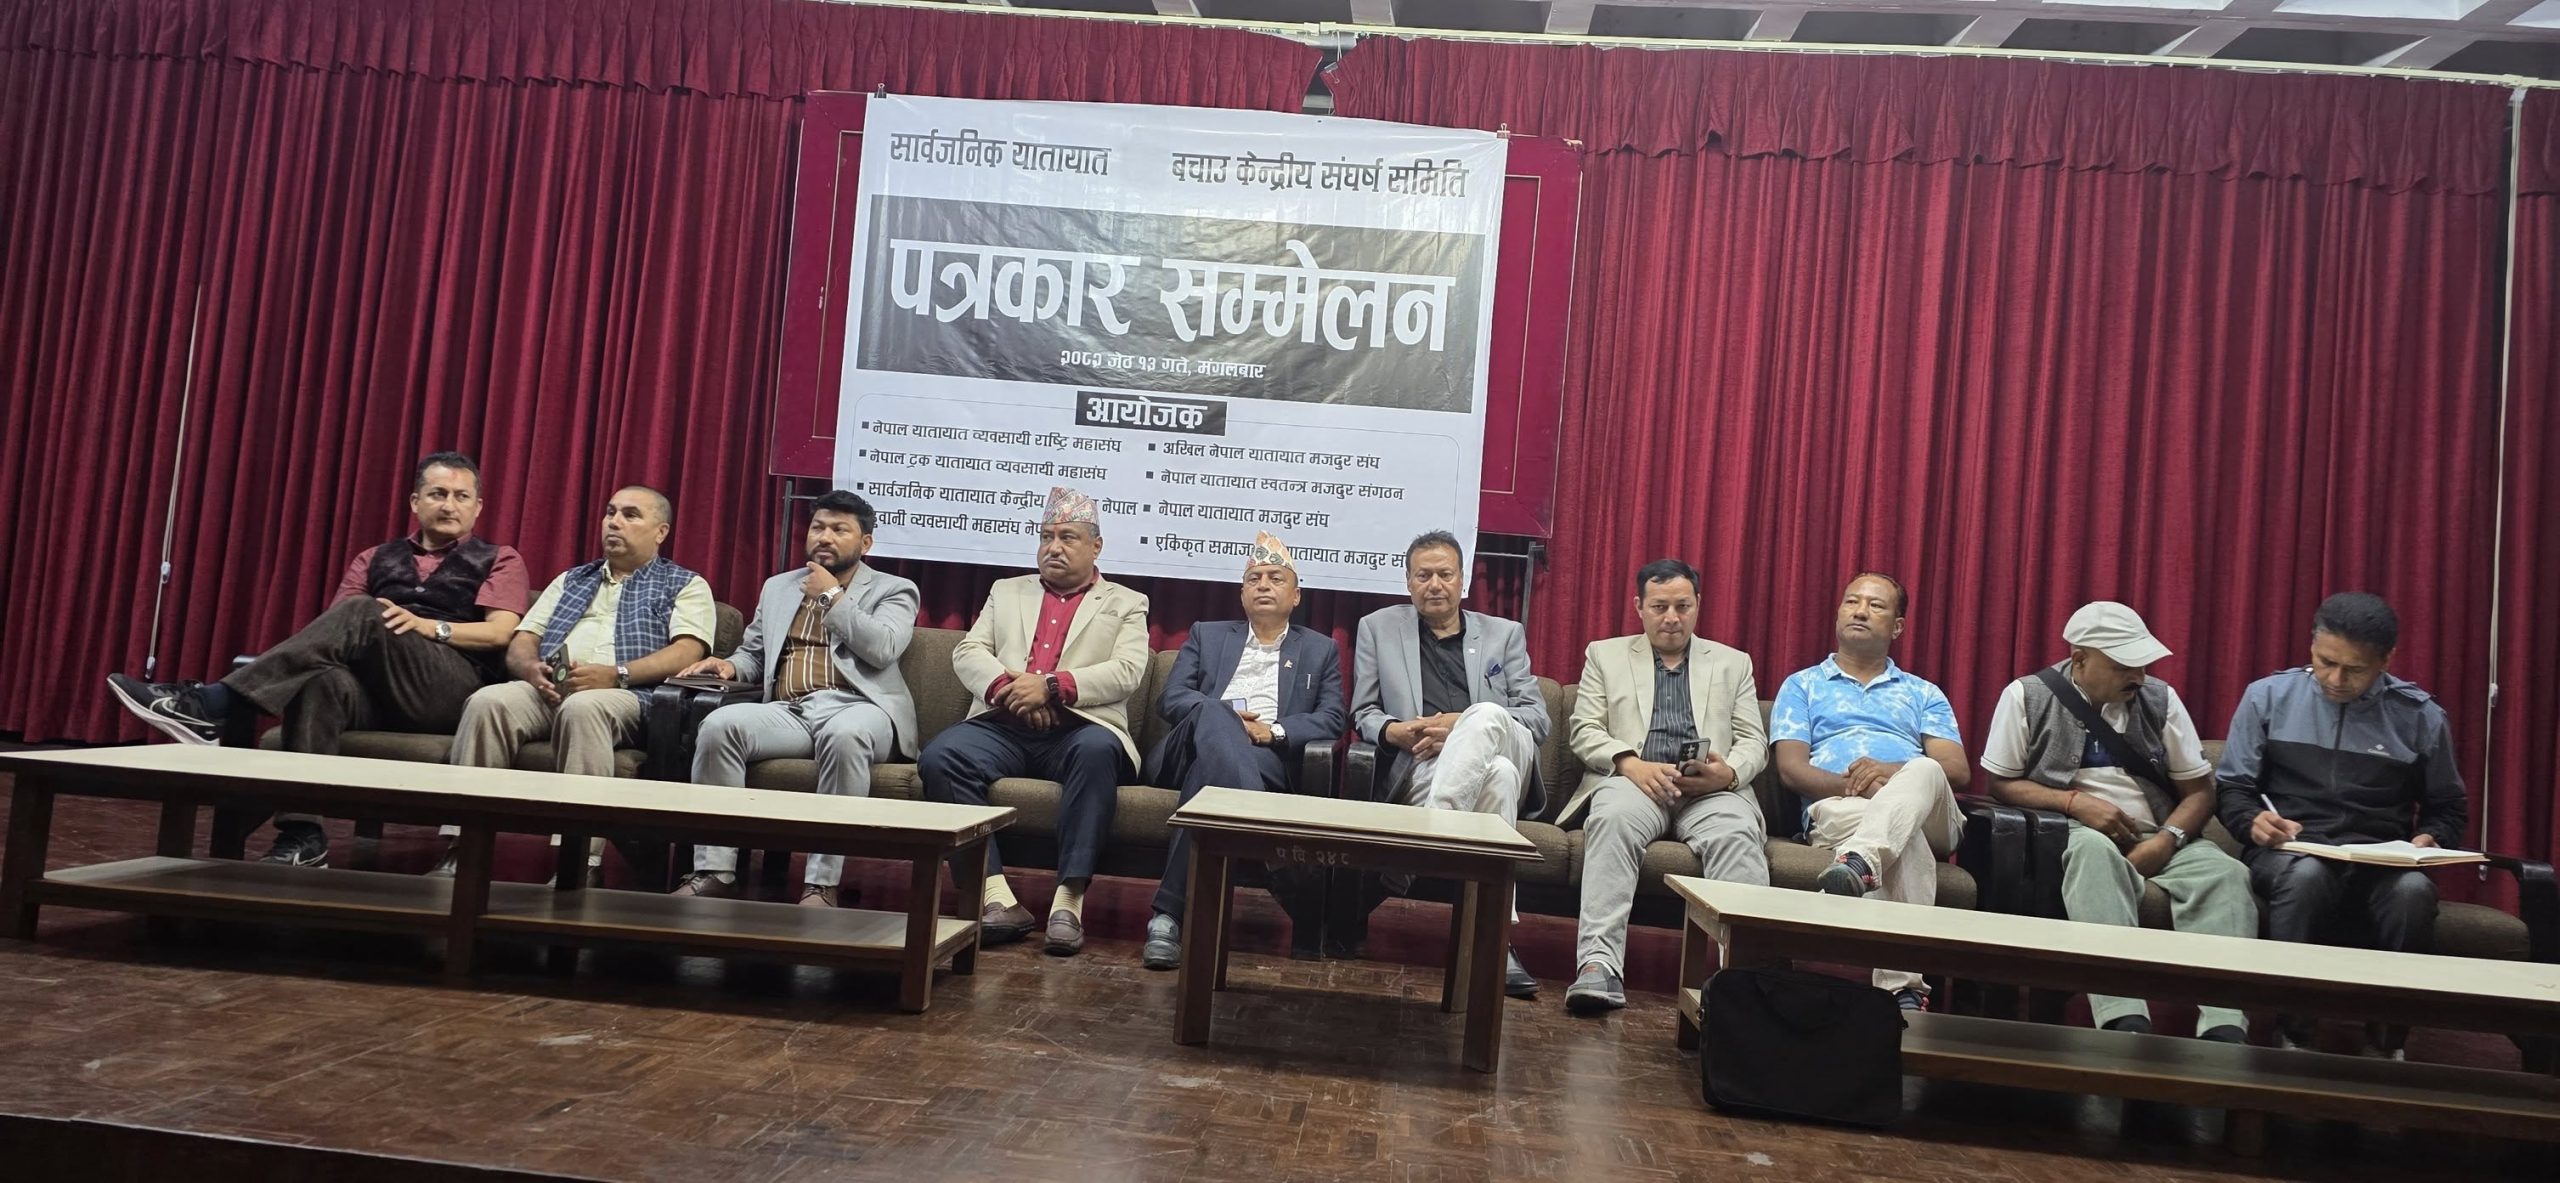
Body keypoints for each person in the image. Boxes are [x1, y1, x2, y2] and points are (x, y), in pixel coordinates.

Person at [105, 452, 529, 868]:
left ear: (478, 507)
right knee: (320, 679)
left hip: (449, 690)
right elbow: (334, 629)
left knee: (365, 611)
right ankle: (303, 835)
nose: (450, 505)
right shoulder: (374, 557)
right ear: (415, 502)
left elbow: (499, 633)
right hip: (376, 692)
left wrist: (427, 626)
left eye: (461, 496)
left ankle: (215, 703)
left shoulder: (499, 559)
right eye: (438, 494)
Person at [1982, 601, 2253, 1043]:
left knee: (2227, 873)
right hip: (2075, 833)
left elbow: (2200, 792)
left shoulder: (2161, 699)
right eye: (2124, 666)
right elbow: (2001, 783)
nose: (2139, 677)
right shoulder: (2025, 695)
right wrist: (2074, 803)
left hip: (2160, 832)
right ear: (2080, 660)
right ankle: (2122, 1017)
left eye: (2143, 665)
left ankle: (2224, 1026)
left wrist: (2167, 840)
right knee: (2093, 854)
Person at [2217, 592, 2466, 1058]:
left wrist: (2433, 838)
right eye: (2325, 662)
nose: (2335, 679)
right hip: (2291, 851)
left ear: (2386, 661)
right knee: (2308, 876)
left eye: (2354, 669)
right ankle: (2295, 1032)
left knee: (2413, 893)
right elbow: (2232, 788)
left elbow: (2448, 808)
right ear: (2312, 646)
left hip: (2381, 858)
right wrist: (2252, 821)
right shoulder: (2267, 697)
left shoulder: (2420, 716)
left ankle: (2388, 1041)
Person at [918, 487, 1149, 956]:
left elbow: (1127, 671)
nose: (1053, 547)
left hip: (1080, 728)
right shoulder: (1006, 591)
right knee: (941, 757)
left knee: (1097, 752)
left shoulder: (1126, 601)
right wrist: (1012, 690)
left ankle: (1068, 904)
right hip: (1004, 723)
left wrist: (1051, 687)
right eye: (1046, 537)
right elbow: (969, 651)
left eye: (1068, 537)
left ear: (1096, 546)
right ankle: (996, 898)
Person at [669, 490, 919, 907]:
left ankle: (822, 884)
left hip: (861, 709)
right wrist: (730, 666)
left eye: (839, 530)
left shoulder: (895, 589)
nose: (825, 537)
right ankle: (715, 870)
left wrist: (832, 596)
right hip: (791, 711)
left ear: (865, 543)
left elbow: (883, 648)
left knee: (844, 735)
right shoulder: (779, 587)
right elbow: (754, 652)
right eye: (818, 527)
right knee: (719, 726)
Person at [445, 486, 715, 872]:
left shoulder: (684, 584)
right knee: (488, 702)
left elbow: (688, 651)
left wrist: (617, 674)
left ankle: (576, 860)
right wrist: (530, 668)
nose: (614, 522)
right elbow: (523, 640)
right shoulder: (572, 579)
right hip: (551, 688)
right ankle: (464, 848)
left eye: (630, 515)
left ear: (661, 532)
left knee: (584, 708)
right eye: (610, 512)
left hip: (629, 694)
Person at [1562, 559, 1768, 1016]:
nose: (1671, 617)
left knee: (1737, 832)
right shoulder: (1605, 655)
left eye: (1682, 606)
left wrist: (1729, 775)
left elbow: (1754, 740)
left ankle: (1746, 980)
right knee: (1612, 819)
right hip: (1635, 783)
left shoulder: (1733, 663)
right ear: (1639, 607)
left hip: (1710, 791)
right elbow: (1584, 728)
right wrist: (1629, 763)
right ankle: (1599, 965)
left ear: (1698, 605)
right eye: (1659, 607)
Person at [1349, 530, 1549, 999]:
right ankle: (1496, 939)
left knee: (1486, 716)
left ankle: (1427, 841)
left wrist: (1464, 725)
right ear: (1408, 582)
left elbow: (1537, 719)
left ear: (1463, 581)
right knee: (1498, 778)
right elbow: (1364, 713)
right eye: (1424, 576)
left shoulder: (1503, 634)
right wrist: (1396, 730)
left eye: (1445, 574)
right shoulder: (1378, 628)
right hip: (1423, 765)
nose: (1435, 584)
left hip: (1504, 742)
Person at [1136, 532, 1345, 970]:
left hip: (1263, 758)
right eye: (1254, 578)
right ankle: (1264, 839)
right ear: (1242, 593)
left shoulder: (1320, 649)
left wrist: (1274, 732)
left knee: (1207, 781)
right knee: (1216, 713)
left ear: (1296, 595)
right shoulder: (1207, 635)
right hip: (1184, 750)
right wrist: (1225, 719)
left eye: (1275, 578)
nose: (1263, 585)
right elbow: (1172, 699)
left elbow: (1331, 718)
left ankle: (1167, 917)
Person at [1771, 572, 1970, 1011]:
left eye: (1875, 605)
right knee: (1905, 839)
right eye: (1851, 602)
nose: (1860, 611)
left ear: (1897, 626)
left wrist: (1891, 775)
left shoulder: (1923, 693)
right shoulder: (1802, 685)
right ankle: (1904, 990)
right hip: (1842, 809)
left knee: (1924, 767)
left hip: (1929, 811)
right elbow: (1791, 770)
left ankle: (1859, 861)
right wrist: (1860, 786)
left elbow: (1956, 770)